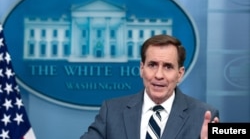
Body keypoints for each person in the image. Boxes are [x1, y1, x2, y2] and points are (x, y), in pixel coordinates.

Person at [80, 34, 219, 139]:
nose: (159, 75)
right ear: (142, 69)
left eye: (168, 67)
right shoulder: (111, 111)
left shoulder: (203, 116)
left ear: (180, 74)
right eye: (152, 65)